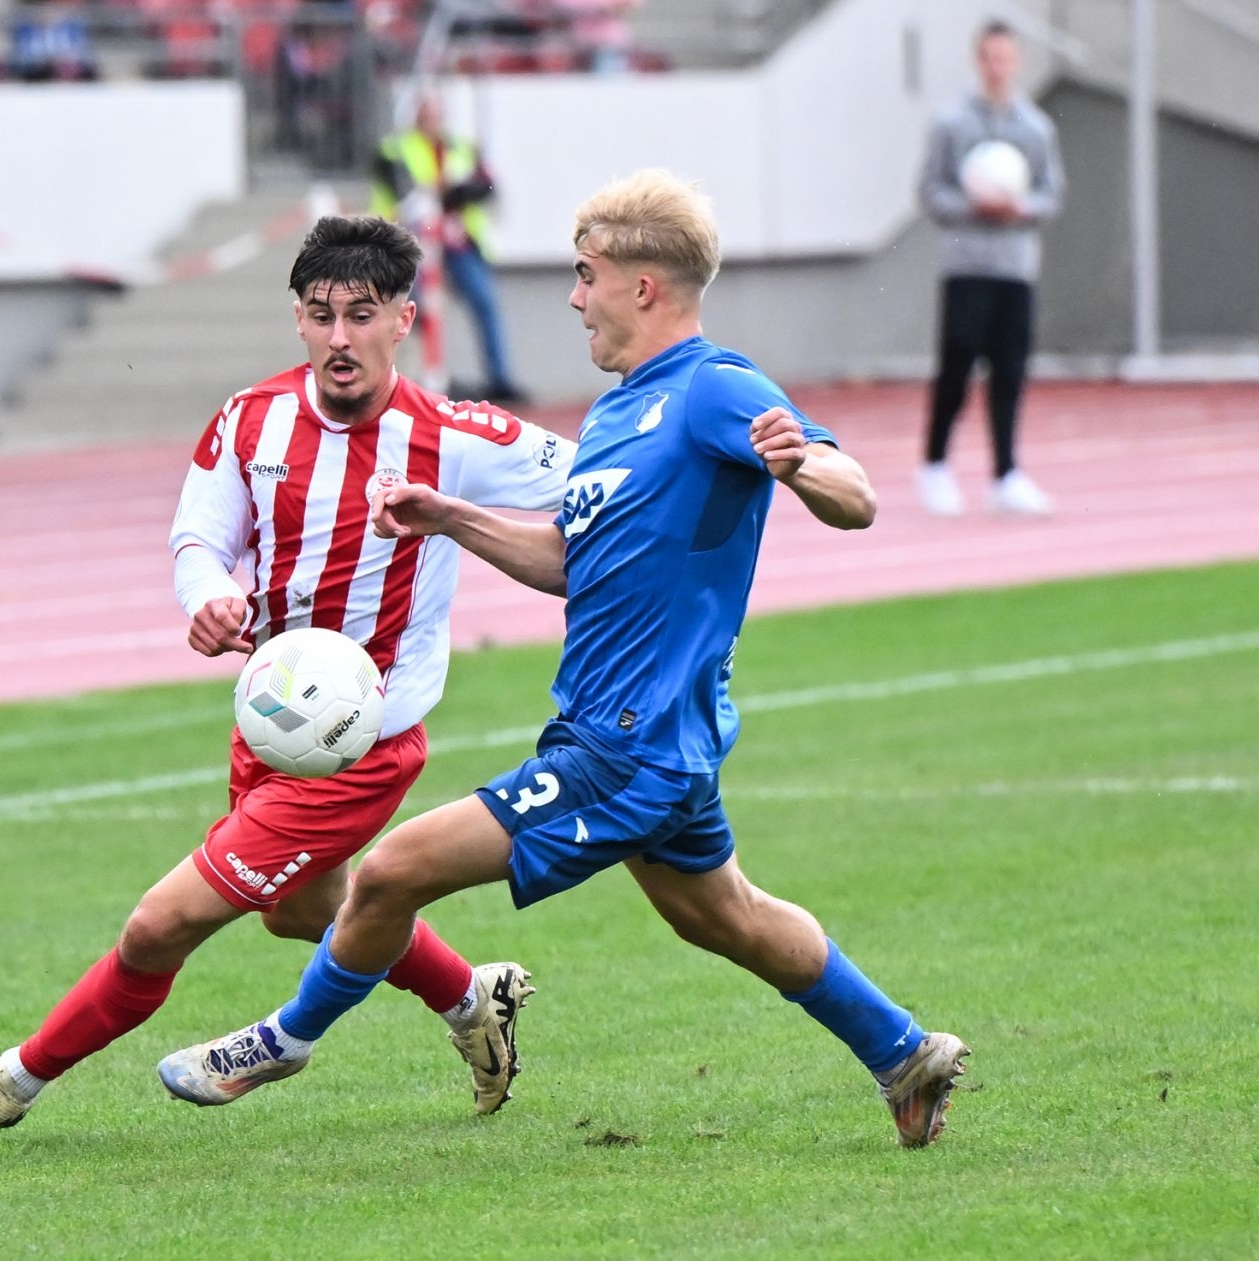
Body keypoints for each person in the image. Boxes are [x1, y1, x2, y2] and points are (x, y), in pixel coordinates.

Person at [162, 171, 972, 1150]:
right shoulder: (620, 412)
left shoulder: (712, 387)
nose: (575, 297)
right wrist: (450, 515)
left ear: (643, 286)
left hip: (626, 744)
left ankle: (282, 1041)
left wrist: (803, 464)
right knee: (725, 916)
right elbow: (568, 562)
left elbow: (856, 495)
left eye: (587, 276)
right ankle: (903, 1052)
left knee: (387, 875)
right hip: (640, 733)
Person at [0, 215, 576, 1141]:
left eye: (362, 315)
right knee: (309, 913)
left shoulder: (453, 435)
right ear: (297, 319)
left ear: (403, 320)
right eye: (321, 314)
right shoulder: (250, 419)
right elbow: (198, 538)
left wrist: (734, 450)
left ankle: (11, 1082)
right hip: (270, 724)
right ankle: (472, 999)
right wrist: (211, 597)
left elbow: (600, 482)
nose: (340, 337)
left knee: (159, 926)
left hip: (359, 750)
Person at [916, 19, 1064, 517]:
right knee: (956, 366)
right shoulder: (951, 122)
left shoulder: (1036, 128)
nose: (998, 67)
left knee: (1010, 372)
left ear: (1016, 62)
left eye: (1005, 58)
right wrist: (973, 205)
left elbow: (1051, 193)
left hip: (1015, 270)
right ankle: (935, 465)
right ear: (978, 60)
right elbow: (930, 191)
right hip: (966, 266)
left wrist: (1020, 208)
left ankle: (1006, 474)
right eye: (989, 57)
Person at [373, 93, 528, 404]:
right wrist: (445, 193)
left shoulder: (461, 147)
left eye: (436, 114)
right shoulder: (395, 149)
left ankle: (498, 378)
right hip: (412, 244)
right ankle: (400, 380)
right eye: (426, 114)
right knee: (412, 309)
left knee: (484, 303)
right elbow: (403, 190)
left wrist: (453, 193)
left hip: (459, 242)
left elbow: (486, 187)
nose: (432, 121)